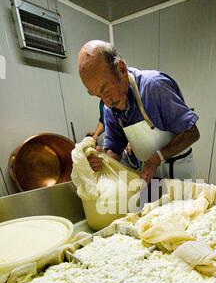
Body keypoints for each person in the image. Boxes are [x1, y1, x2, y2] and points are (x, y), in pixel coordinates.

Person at [78, 40, 200, 184]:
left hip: (177, 169)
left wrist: (156, 158)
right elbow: (115, 151)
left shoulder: (154, 87)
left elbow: (192, 133)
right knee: (151, 206)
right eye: (98, 95)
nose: (107, 101)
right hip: (148, 172)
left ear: (122, 69)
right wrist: (101, 159)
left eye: (106, 90)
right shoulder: (109, 109)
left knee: (182, 206)